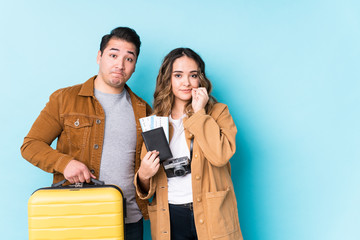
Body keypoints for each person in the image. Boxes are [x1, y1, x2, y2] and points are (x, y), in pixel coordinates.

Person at [21, 27, 152, 240]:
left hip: (129, 222)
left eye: (129, 59)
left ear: (134, 66)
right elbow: (31, 145)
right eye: (113, 55)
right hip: (78, 216)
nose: (120, 64)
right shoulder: (64, 99)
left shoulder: (145, 111)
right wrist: (65, 164)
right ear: (99, 57)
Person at [134, 48, 243, 240]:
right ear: (168, 79)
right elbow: (146, 182)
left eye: (193, 75)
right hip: (170, 216)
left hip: (211, 214)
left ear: (200, 79)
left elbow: (220, 156)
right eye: (178, 75)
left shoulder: (217, 113)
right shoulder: (155, 122)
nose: (186, 82)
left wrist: (199, 113)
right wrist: (143, 174)